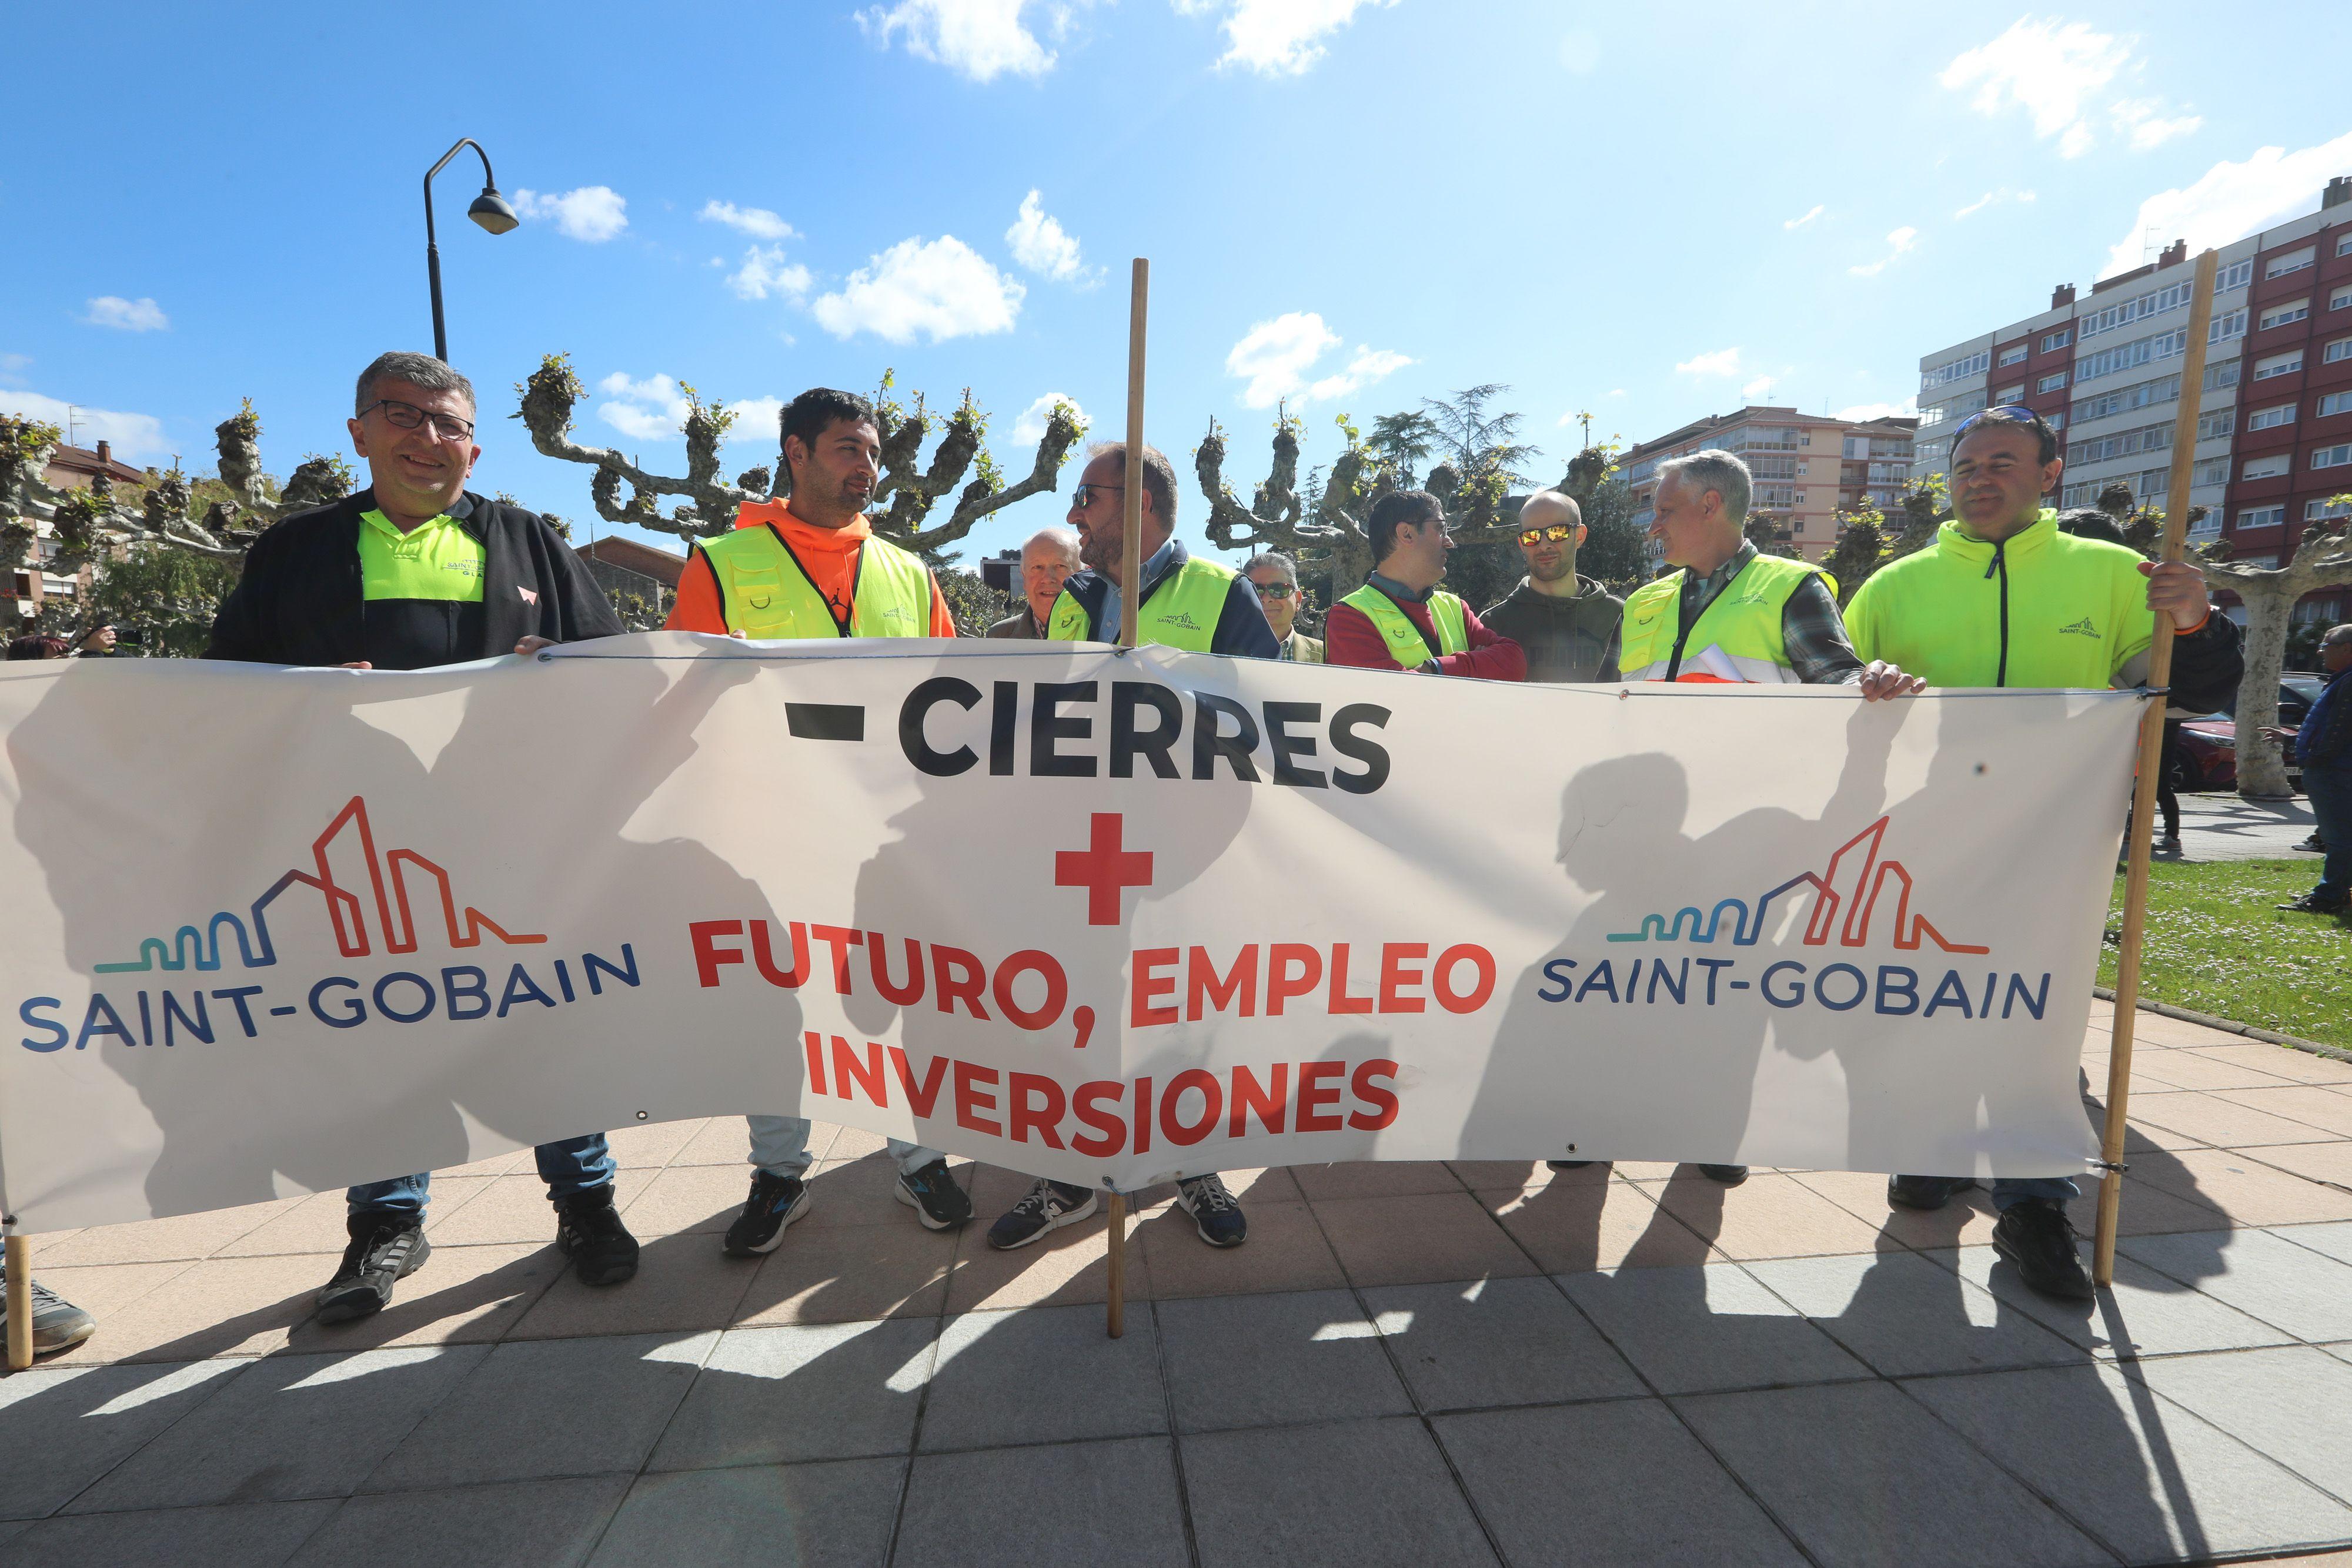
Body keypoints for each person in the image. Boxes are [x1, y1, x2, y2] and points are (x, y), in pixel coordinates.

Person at [206, 350, 639, 1325]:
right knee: (383, 1034)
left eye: (448, 424)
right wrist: (302, 701)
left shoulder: (529, 541)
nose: (427, 438)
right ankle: (385, 1224)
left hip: (513, 846)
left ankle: (589, 1206)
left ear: (475, 448)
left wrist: (560, 669)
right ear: (358, 432)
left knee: (542, 1022)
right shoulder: (293, 551)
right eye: (403, 415)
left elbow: (617, 673)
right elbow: (220, 693)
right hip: (361, 855)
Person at [1844, 404, 2245, 1299]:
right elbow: (1830, 700)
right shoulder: (1891, 586)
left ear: (2050, 473)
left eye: (2004, 461)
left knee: (2033, 1016)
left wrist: (2198, 622)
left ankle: (2034, 1206)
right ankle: (1932, 1152)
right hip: (1925, 840)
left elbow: (2192, 687)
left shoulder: (2114, 573)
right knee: (1926, 1000)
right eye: (1966, 464)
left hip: (2056, 840)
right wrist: (1859, 686)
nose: (1980, 477)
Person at [664, 387, 973, 1253]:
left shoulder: (910, 572)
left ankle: (920, 1157)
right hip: (769, 833)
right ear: (794, 453)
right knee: (775, 1006)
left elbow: (948, 705)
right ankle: (779, 1173)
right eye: (846, 448)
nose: (866, 467)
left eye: (872, 452)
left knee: (903, 991)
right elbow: (683, 702)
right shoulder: (723, 560)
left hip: (888, 835)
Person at [1570, 449, 1920, 1188]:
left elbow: (1838, 681)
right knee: (1622, 978)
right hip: (1645, 837)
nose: (1652, 525)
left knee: (1724, 989)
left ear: (1710, 508)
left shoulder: (1788, 589)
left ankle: (1715, 1129)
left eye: (1664, 510)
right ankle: (1597, 1114)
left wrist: (1875, 682)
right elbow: (1602, 708)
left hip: (1744, 840)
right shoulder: (1644, 602)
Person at [1000, 439, 1276, 1252]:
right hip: (1083, 846)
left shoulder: (1220, 592)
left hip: (1184, 848)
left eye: (1089, 496)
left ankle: (1192, 1161)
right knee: (1081, 1007)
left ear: (1141, 504)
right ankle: (1073, 1172)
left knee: (1183, 1007)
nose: (1076, 513)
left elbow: (1269, 720)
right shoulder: (1077, 596)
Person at [1324, 490, 1526, 680]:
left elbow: (1514, 661)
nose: (1450, 542)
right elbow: (1391, 695)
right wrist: (1478, 664)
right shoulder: (1349, 616)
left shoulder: (1455, 607)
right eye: (1441, 529)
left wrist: (1435, 669)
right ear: (1407, 534)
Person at [1479, 490, 1623, 682]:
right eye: (1532, 536)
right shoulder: (1491, 625)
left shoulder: (1621, 616)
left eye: (1558, 532)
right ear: (1522, 544)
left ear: (1579, 536)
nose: (1544, 545)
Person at [2269, 623, 2352, 914]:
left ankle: (2329, 896)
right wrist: (2294, 740)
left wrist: (2316, 759)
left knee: (2339, 838)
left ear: (2346, 648)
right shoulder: (2342, 679)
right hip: (2334, 769)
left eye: (2325, 646)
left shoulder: (2348, 681)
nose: (2321, 653)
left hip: (2334, 772)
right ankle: (2337, 891)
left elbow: (2338, 731)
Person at [987, 526, 1081, 639]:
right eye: (1038, 567)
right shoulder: (998, 638)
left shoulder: (1104, 630)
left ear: (1083, 573)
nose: (1047, 578)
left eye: (1060, 566)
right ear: (1024, 576)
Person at [1244, 550, 1324, 662]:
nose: (1267, 599)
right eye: (1256, 590)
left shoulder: (1327, 655)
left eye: (1279, 589)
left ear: (1298, 600)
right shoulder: (1216, 652)